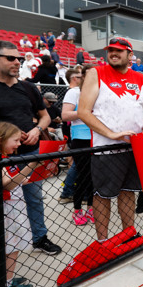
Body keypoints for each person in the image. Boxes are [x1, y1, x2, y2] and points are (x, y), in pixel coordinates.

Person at [0, 40, 61, 255]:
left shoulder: (28, 87)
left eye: (19, 59)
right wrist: (2, 132)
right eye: (10, 58)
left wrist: (35, 130)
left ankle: (39, 238)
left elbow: (44, 116)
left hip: (29, 153)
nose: (16, 62)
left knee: (34, 199)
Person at [78, 37, 143, 242]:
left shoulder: (139, 77)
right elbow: (83, 112)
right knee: (103, 195)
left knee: (128, 191)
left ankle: (128, 235)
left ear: (130, 55)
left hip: (134, 147)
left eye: (119, 51)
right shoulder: (96, 73)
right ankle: (103, 242)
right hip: (106, 148)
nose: (113, 53)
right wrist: (110, 133)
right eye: (111, 50)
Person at [0, 122, 40, 287]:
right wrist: (31, 166)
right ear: (0, 140)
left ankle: (2, 279)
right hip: (6, 208)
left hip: (13, 206)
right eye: (15, 140)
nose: (19, 144)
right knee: (11, 246)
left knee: (9, 246)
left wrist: (41, 171)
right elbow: (8, 185)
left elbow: (17, 180)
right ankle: (5, 286)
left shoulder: (5, 157)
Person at [62, 66, 94, 226]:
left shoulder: (99, 93)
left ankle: (91, 208)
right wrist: (85, 112)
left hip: (98, 139)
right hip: (81, 138)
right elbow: (65, 115)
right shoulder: (74, 92)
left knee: (94, 176)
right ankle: (77, 210)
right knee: (82, 175)